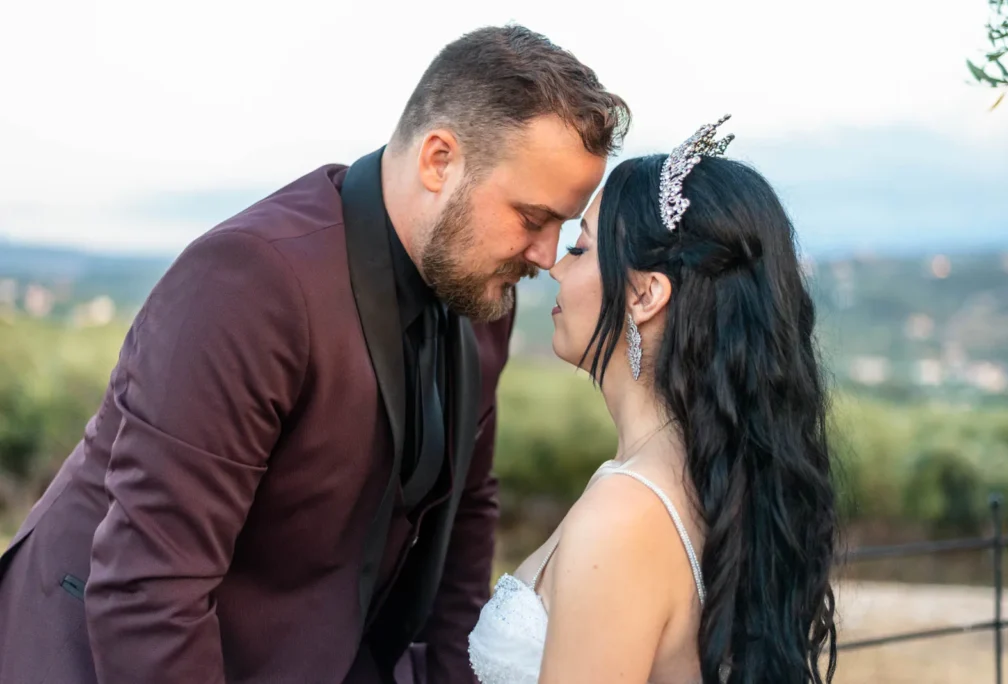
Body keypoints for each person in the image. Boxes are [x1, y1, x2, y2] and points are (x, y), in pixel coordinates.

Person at [0, 25, 629, 684]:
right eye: (532, 217)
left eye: (563, 223)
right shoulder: (250, 282)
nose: (545, 253)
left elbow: (465, 512)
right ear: (439, 159)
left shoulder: (478, 297)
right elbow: (147, 593)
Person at [468, 117, 838, 684]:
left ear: (644, 294)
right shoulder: (698, 479)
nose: (553, 265)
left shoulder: (625, 514)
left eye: (582, 248)